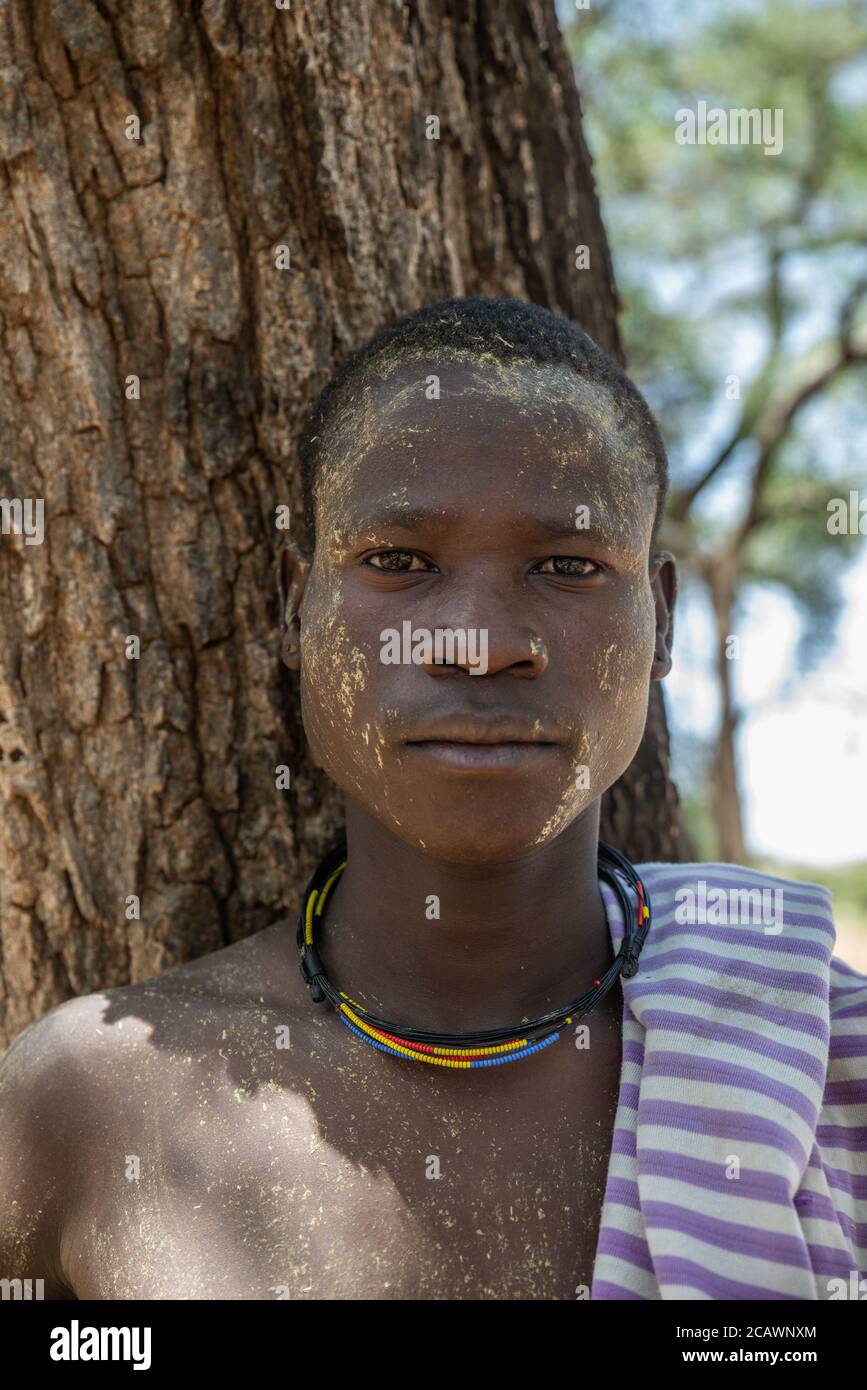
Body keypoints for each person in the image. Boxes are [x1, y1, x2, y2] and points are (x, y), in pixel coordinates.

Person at [1, 297, 864, 1301]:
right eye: (400, 563)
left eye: (569, 567)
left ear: (661, 622)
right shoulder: (81, 1107)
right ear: (297, 609)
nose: (479, 640)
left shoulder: (823, 1073)